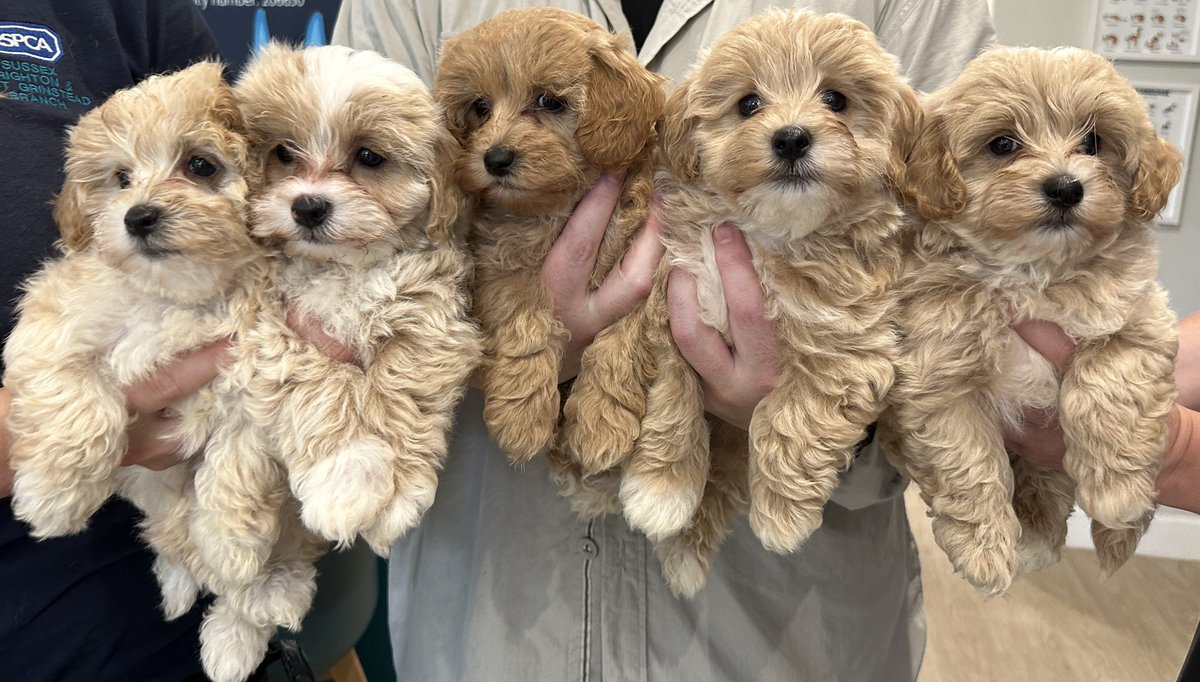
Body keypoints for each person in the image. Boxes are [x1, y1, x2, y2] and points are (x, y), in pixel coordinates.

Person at [332, 2, 996, 680]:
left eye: (833, 99)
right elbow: (346, 267)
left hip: (779, 627)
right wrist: (497, 347)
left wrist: (831, 420)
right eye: (478, 113)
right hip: (494, 603)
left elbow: (973, 264)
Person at [0, 2, 229, 679]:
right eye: (121, 180)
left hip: (135, 608)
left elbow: (261, 199)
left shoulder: (132, 11)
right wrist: (47, 431)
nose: (148, 200)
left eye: (194, 166)